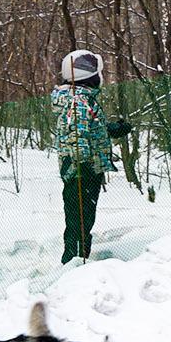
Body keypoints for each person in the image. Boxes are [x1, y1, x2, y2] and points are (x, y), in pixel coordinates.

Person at [50, 50, 131, 264]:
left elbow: (87, 128)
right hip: (82, 171)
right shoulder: (79, 101)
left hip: (83, 168)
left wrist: (112, 130)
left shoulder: (80, 100)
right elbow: (77, 133)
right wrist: (82, 163)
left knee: (82, 219)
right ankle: (75, 263)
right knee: (80, 221)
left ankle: (78, 259)